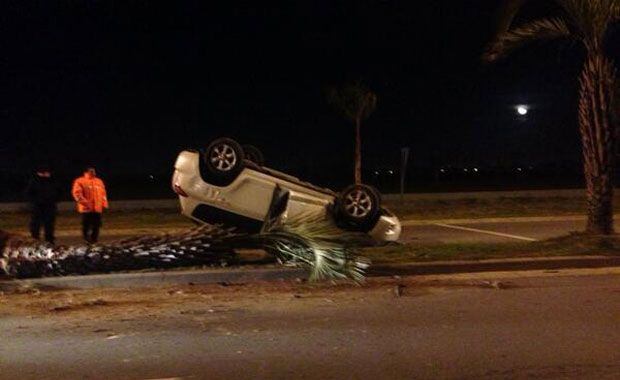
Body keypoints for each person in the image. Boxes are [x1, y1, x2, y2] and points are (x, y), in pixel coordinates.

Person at [71, 167, 108, 244]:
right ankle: (86, 238)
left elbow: (103, 193)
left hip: (97, 208)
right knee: (86, 225)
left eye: (94, 171)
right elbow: (77, 194)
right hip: (86, 209)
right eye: (91, 171)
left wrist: (104, 204)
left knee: (97, 225)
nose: (93, 173)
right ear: (86, 172)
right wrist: (86, 203)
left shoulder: (99, 181)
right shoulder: (80, 181)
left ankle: (94, 239)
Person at [25, 165, 60, 244]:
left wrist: (54, 200)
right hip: (38, 206)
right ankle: (35, 238)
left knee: (49, 223)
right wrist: (35, 201)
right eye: (46, 172)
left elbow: (58, 191)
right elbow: (29, 193)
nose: (48, 174)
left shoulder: (52, 181)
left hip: (50, 205)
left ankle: (49, 238)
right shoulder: (35, 181)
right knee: (36, 223)